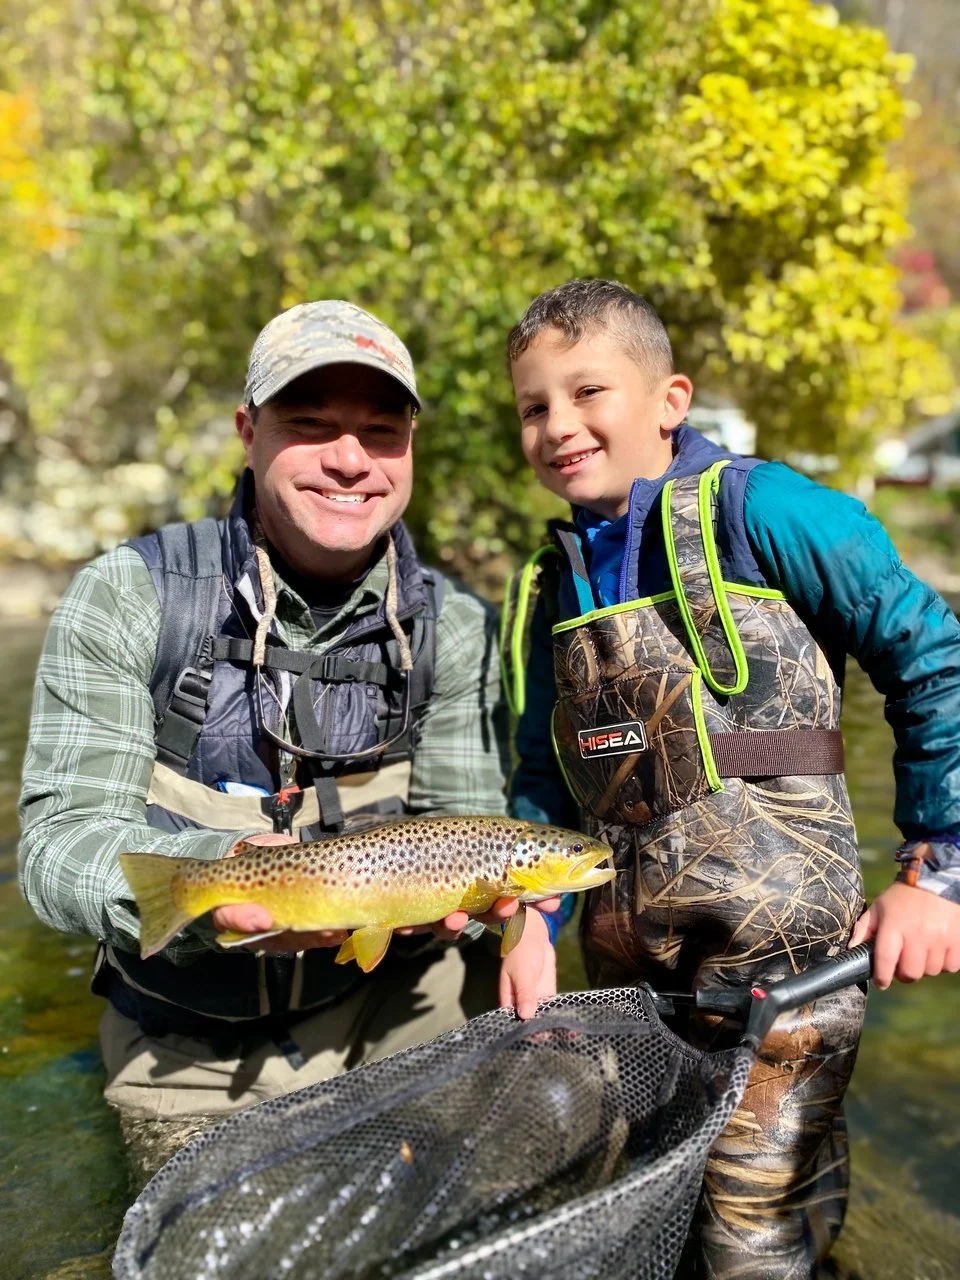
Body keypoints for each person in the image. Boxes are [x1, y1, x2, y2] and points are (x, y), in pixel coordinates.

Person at [17, 299, 555, 1183]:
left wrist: (502, 919)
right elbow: (57, 849)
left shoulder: (454, 625)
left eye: (381, 432)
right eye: (311, 426)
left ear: (412, 450)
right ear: (247, 431)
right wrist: (214, 878)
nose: (350, 460)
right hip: (189, 1056)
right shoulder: (127, 598)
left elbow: (470, 825)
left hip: (396, 1017)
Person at [501, 278, 960, 1279]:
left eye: (588, 393)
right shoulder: (545, 585)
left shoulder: (772, 511)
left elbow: (936, 657)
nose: (559, 425)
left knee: (748, 1233)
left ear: (670, 399)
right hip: (633, 989)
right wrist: (530, 922)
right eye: (535, 406)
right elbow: (542, 772)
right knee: (667, 1197)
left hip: (792, 973)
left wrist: (936, 872)